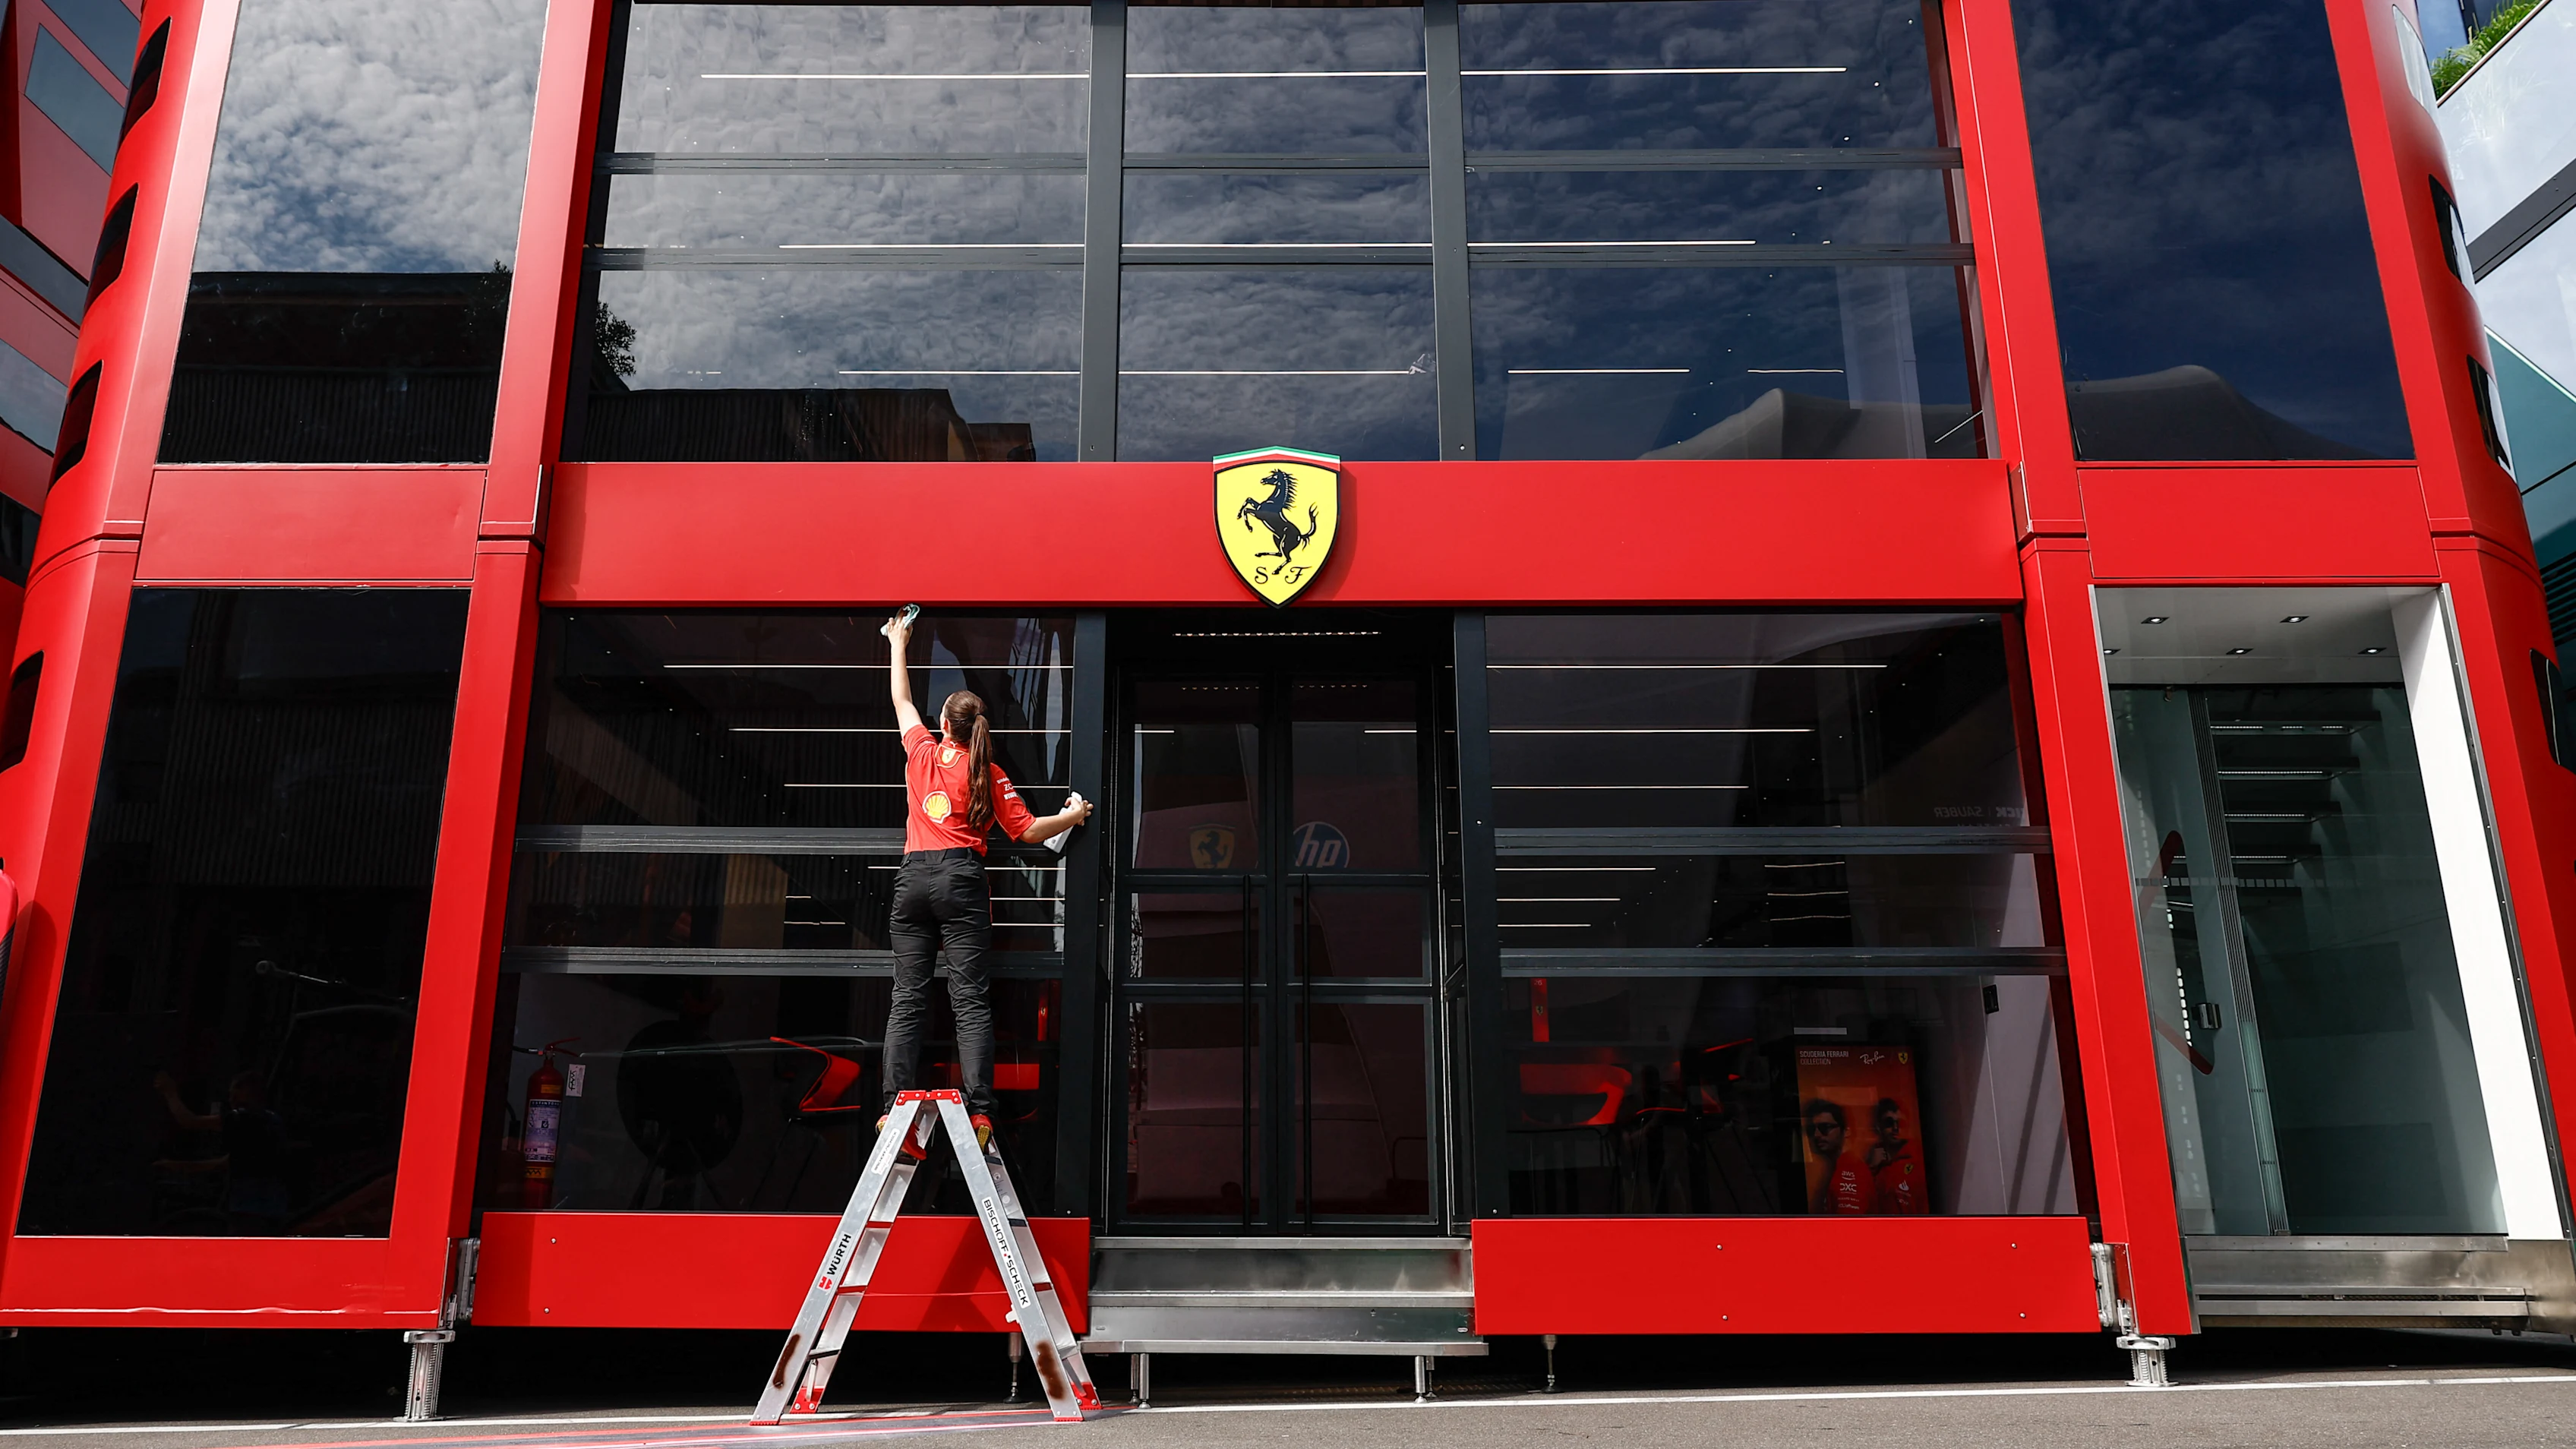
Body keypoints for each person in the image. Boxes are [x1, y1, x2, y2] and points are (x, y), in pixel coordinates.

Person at [879, 611, 1091, 1154]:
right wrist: (1073, 815)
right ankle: (980, 1113)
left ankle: (890, 1113)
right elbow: (1027, 831)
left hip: (913, 878)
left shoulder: (922, 753)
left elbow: (902, 700)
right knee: (970, 1002)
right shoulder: (988, 774)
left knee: (907, 997)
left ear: (943, 724)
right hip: (961, 879)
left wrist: (898, 641)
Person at [1802, 1098, 1869, 1214]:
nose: (1816, 1135)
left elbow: (1849, 1227)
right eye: (1812, 1129)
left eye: (1825, 1127)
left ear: (1846, 1131)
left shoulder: (1850, 1171)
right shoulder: (1835, 1169)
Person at [1865, 1097, 1925, 1215]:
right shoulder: (1871, 1160)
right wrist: (1871, 1168)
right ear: (1879, 1127)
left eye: (1900, 1123)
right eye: (1889, 1123)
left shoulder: (1918, 1162)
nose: (1896, 1128)